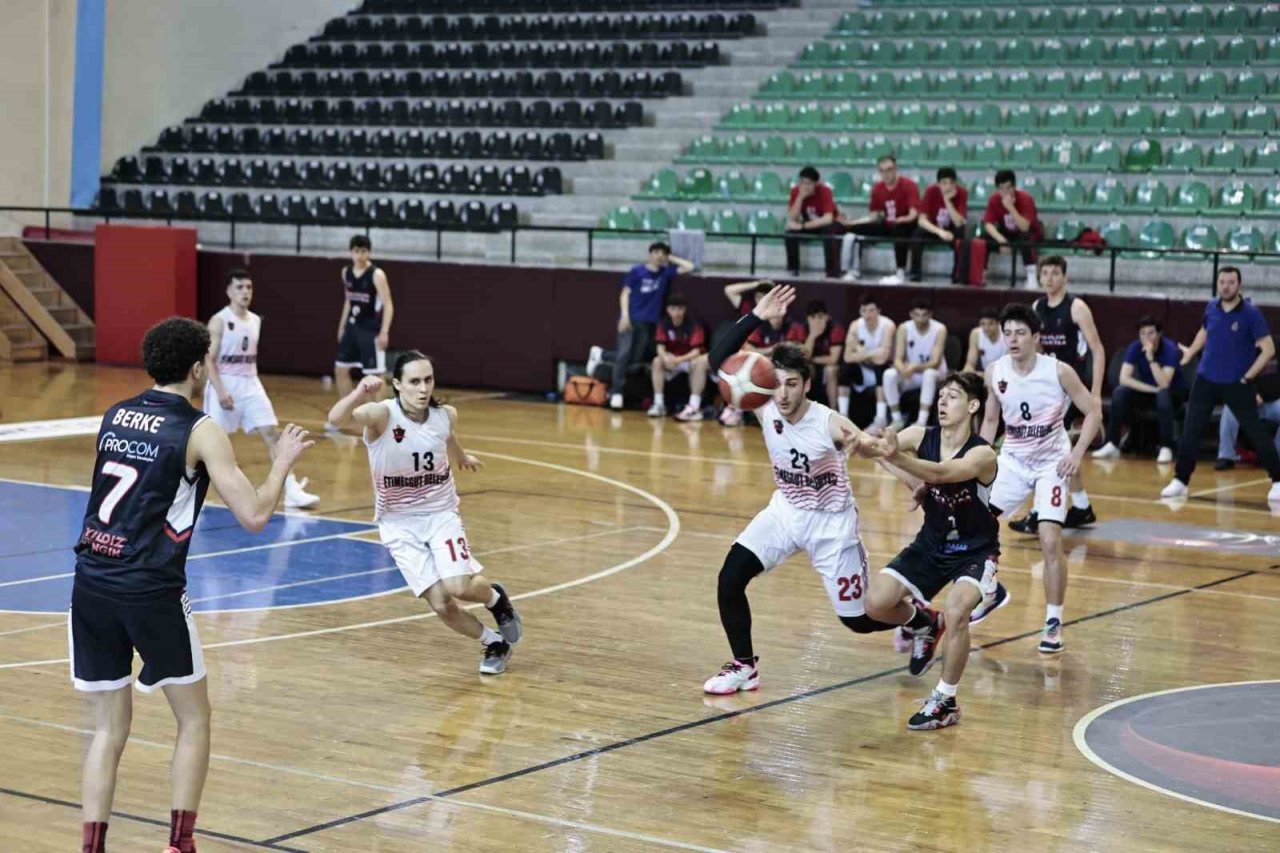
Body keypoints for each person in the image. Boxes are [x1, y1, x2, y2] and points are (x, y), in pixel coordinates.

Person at [71, 317, 313, 853]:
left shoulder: (114, 415)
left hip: (89, 582)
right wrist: (280, 465)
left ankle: (92, 849)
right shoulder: (201, 428)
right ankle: (179, 844)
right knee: (194, 717)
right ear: (199, 367)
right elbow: (252, 515)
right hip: (149, 588)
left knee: (108, 732)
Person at [700, 285, 901, 695]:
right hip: (786, 512)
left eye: (793, 384)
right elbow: (718, 360)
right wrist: (756, 315)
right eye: (780, 385)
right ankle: (745, 667)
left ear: (806, 385)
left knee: (858, 620)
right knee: (729, 580)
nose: (785, 394)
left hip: (831, 526)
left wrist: (876, 448)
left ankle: (921, 620)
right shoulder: (764, 401)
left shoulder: (827, 422)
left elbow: (865, 445)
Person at [328, 352, 525, 674]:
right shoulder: (381, 415)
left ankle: (494, 599)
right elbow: (335, 419)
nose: (423, 389)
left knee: (458, 586)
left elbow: (447, 437)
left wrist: (461, 457)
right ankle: (493, 642)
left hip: (439, 513)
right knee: (440, 603)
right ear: (397, 385)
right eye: (414, 382)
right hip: (397, 524)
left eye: (428, 380)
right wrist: (359, 393)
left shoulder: (446, 414)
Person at [864, 372, 1006, 730]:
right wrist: (875, 449)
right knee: (875, 605)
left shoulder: (983, 453)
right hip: (931, 543)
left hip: (974, 552)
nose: (943, 402)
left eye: (953, 396)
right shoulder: (920, 435)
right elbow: (882, 451)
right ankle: (925, 624)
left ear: (973, 405)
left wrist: (899, 457)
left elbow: (942, 473)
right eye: (941, 396)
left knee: (957, 611)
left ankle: (945, 700)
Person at [981, 304, 1101, 655]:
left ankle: (1053, 620)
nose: (1013, 339)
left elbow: (1094, 410)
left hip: (1052, 464)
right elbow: (990, 422)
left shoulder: (1058, 371)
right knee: (977, 525)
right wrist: (976, 461)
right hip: (1013, 462)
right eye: (1008, 333)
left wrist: (1076, 455)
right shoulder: (995, 371)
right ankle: (989, 589)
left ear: (1036, 337)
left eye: (1020, 333)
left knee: (1050, 540)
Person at [1162, 267, 1280, 502]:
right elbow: (1204, 331)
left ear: (1239, 285)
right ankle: (1180, 480)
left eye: (1231, 282)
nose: (1226, 286)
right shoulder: (1211, 307)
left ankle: (1277, 480)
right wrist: (1190, 353)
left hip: (1237, 383)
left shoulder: (1251, 314)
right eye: (1222, 281)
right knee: (1190, 431)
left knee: (1256, 433)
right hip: (1206, 380)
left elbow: (1268, 349)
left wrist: (1248, 377)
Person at [204, 268, 319, 508]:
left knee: (272, 434)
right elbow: (208, 360)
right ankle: (191, 494)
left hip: (251, 382)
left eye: (248, 287)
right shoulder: (219, 320)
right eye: (239, 287)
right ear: (229, 291)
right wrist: (220, 390)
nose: (245, 292)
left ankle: (291, 490)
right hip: (224, 382)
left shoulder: (255, 320)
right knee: (209, 443)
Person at [1009, 256, 1102, 533]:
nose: (1049, 278)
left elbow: (1097, 349)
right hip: (1049, 389)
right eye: (1045, 273)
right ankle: (1082, 507)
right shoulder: (1037, 307)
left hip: (1072, 386)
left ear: (1065, 277)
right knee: (1057, 449)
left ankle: (1040, 512)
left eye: (1055, 273)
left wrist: (1094, 393)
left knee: (1046, 447)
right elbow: (1033, 350)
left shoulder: (1076, 308)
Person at [608, 241, 696, 410]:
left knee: (636, 359)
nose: (659, 255)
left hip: (650, 323)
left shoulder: (665, 273)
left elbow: (689, 267)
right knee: (623, 355)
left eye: (663, 253)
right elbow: (625, 293)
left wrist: (671, 258)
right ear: (650, 254)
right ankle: (616, 392)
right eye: (656, 252)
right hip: (632, 320)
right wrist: (624, 316)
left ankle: (602, 356)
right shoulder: (637, 271)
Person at [1093, 316, 1186, 464]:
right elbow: (1124, 378)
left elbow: (1164, 383)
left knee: (1162, 395)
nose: (1146, 337)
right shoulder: (1135, 347)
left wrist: (1150, 358)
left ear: (1159, 334)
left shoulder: (1170, 349)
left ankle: (1166, 447)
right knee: (1120, 392)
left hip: (1172, 395)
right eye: (1143, 333)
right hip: (1150, 391)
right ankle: (1112, 443)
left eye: (1151, 333)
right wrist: (1151, 390)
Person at [326, 235, 393, 431]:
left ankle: (383, 422)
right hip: (352, 329)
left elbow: (388, 304)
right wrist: (341, 326)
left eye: (363, 251)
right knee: (340, 370)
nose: (360, 255)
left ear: (369, 252)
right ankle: (346, 415)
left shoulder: (376, 274)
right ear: (351, 252)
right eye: (356, 251)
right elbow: (348, 300)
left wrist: (384, 331)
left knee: (377, 377)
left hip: (370, 330)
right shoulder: (346, 272)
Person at [840, 154, 921, 284]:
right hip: (887, 224)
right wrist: (853, 222)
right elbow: (874, 215)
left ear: (895, 169)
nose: (886, 174)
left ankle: (900, 272)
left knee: (899, 229)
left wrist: (901, 219)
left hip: (906, 224)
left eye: (889, 169)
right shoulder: (878, 188)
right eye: (882, 171)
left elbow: (913, 214)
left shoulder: (908, 185)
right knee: (853, 230)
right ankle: (852, 270)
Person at [884, 298, 948, 429]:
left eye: (924, 315)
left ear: (930, 315)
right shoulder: (904, 328)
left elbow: (935, 362)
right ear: (911, 314)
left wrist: (914, 367)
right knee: (889, 374)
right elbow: (897, 359)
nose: (920, 319)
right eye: (917, 315)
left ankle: (921, 421)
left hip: (935, 373)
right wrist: (903, 370)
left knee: (929, 374)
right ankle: (897, 419)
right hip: (912, 374)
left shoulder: (940, 329)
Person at [648, 292, 709, 421]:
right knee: (657, 361)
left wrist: (678, 360)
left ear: (685, 309)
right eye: (673, 309)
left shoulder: (694, 325)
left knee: (698, 363)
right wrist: (665, 358)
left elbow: (696, 351)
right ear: (668, 310)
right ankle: (659, 404)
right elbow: (660, 347)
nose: (676, 312)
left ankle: (694, 407)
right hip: (672, 359)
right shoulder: (663, 323)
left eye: (680, 309)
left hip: (688, 360)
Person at [979, 169, 1044, 289]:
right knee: (984, 238)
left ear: (1014, 187)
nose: (1005, 192)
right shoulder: (994, 199)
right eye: (1001, 189)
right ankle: (982, 273)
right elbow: (988, 224)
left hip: (1029, 232)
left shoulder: (1026, 199)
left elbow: (1025, 227)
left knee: (1026, 237)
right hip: (1007, 234)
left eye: (1008, 188)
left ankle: (1031, 276)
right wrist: (1002, 241)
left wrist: (1010, 208)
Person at [839, 294, 896, 426]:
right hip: (863, 370)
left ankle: (880, 418)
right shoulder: (855, 326)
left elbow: (882, 359)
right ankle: (843, 415)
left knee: (881, 368)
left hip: (882, 371)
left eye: (871, 310)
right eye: (863, 311)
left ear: (879, 311)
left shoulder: (888, 325)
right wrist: (873, 353)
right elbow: (847, 357)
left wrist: (860, 350)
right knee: (845, 369)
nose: (867, 315)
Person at [910, 166, 969, 284]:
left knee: (961, 232)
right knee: (917, 234)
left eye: (951, 183)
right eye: (944, 183)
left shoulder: (962, 193)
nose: (948, 187)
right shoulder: (930, 191)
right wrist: (940, 232)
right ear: (938, 184)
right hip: (934, 228)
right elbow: (922, 220)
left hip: (952, 228)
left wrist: (947, 201)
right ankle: (915, 273)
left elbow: (959, 222)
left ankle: (957, 274)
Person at [1216, 363, 1280, 470]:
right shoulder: (1247, 353)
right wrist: (1252, 393)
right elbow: (1238, 380)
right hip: (1251, 402)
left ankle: (1275, 457)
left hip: (1275, 401)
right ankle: (1226, 456)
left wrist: (1264, 395)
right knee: (1230, 407)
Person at [784, 166, 843, 279]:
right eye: (802, 182)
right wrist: (800, 198)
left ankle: (831, 273)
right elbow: (792, 217)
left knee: (829, 232)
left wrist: (802, 226)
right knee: (790, 234)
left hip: (829, 224)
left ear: (816, 184)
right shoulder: (796, 191)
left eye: (808, 183)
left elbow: (828, 218)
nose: (805, 186)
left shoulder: (825, 191)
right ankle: (793, 270)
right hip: (809, 224)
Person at [798, 299, 845, 409]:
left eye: (820, 317)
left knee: (830, 370)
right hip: (814, 367)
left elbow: (833, 359)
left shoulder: (835, 328)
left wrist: (811, 360)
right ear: (808, 319)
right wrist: (812, 336)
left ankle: (834, 410)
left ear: (827, 317)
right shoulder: (802, 329)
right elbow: (804, 358)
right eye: (813, 318)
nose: (817, 321)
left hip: (837, 368)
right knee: (801, 369)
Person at [963, 308, 1007, 373]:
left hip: (1005, 373)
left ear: (998, 323)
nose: (986, 328)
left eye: (991, 324)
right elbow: (970, 364)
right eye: (983, 324)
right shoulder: (976, 334)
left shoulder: (1007, 334)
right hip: (985, 374)